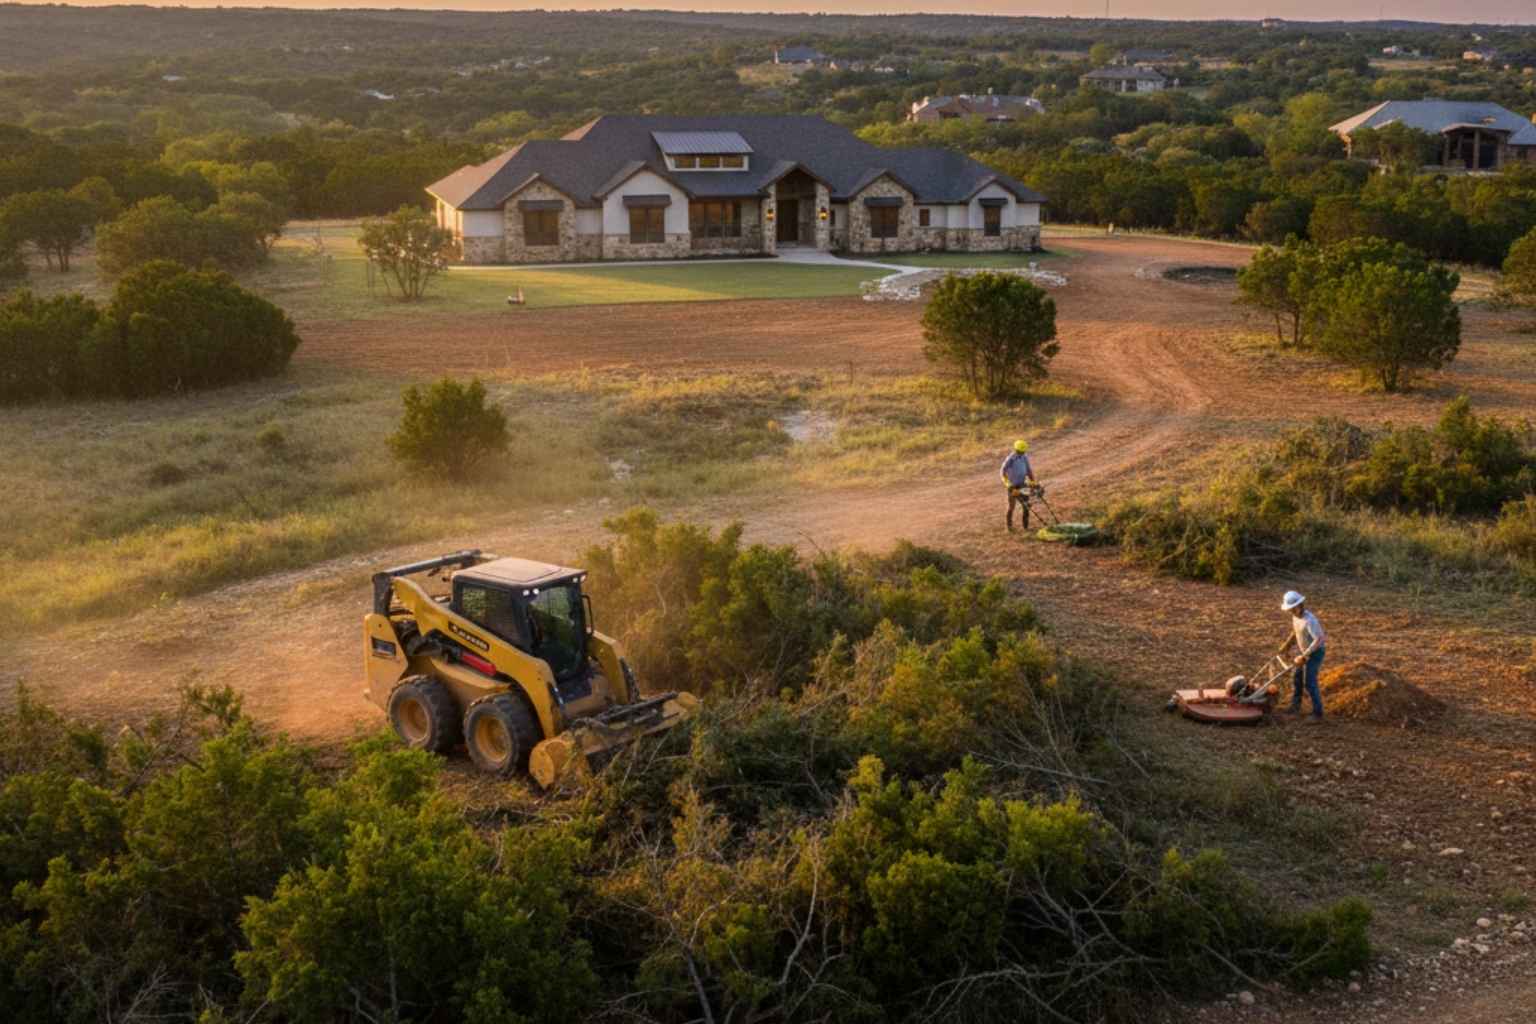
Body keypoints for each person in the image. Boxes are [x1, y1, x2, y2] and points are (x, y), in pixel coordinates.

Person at [1278, 590, 1326, 723]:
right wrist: (1286, 646)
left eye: (1293, 609)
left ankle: (1318, 714)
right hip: (1304, 651)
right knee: (1296, 677)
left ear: (1300, 605)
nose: (1291, 612)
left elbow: (1319, 640)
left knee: (1310, 682)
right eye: (1290, 610)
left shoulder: (1310, 621)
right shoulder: (1295, 617)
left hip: (1316, 653)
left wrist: (1304, 656)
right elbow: (1295, 632)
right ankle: (1295, 706)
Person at [1000, 439, 1036, 532]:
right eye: (1019, 451)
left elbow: (1028, 470)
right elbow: (1002, 472)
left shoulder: (1024, 457)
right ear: (1015, 450)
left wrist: (1033, 482)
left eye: (1023, 451)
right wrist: (1008, 484)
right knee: (1011, 507)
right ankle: (1009, 527)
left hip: (1022, 485)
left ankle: (1026, 527)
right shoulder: (1010, 459)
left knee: (1027, 505)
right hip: (1012, 487)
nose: (1021, 453)